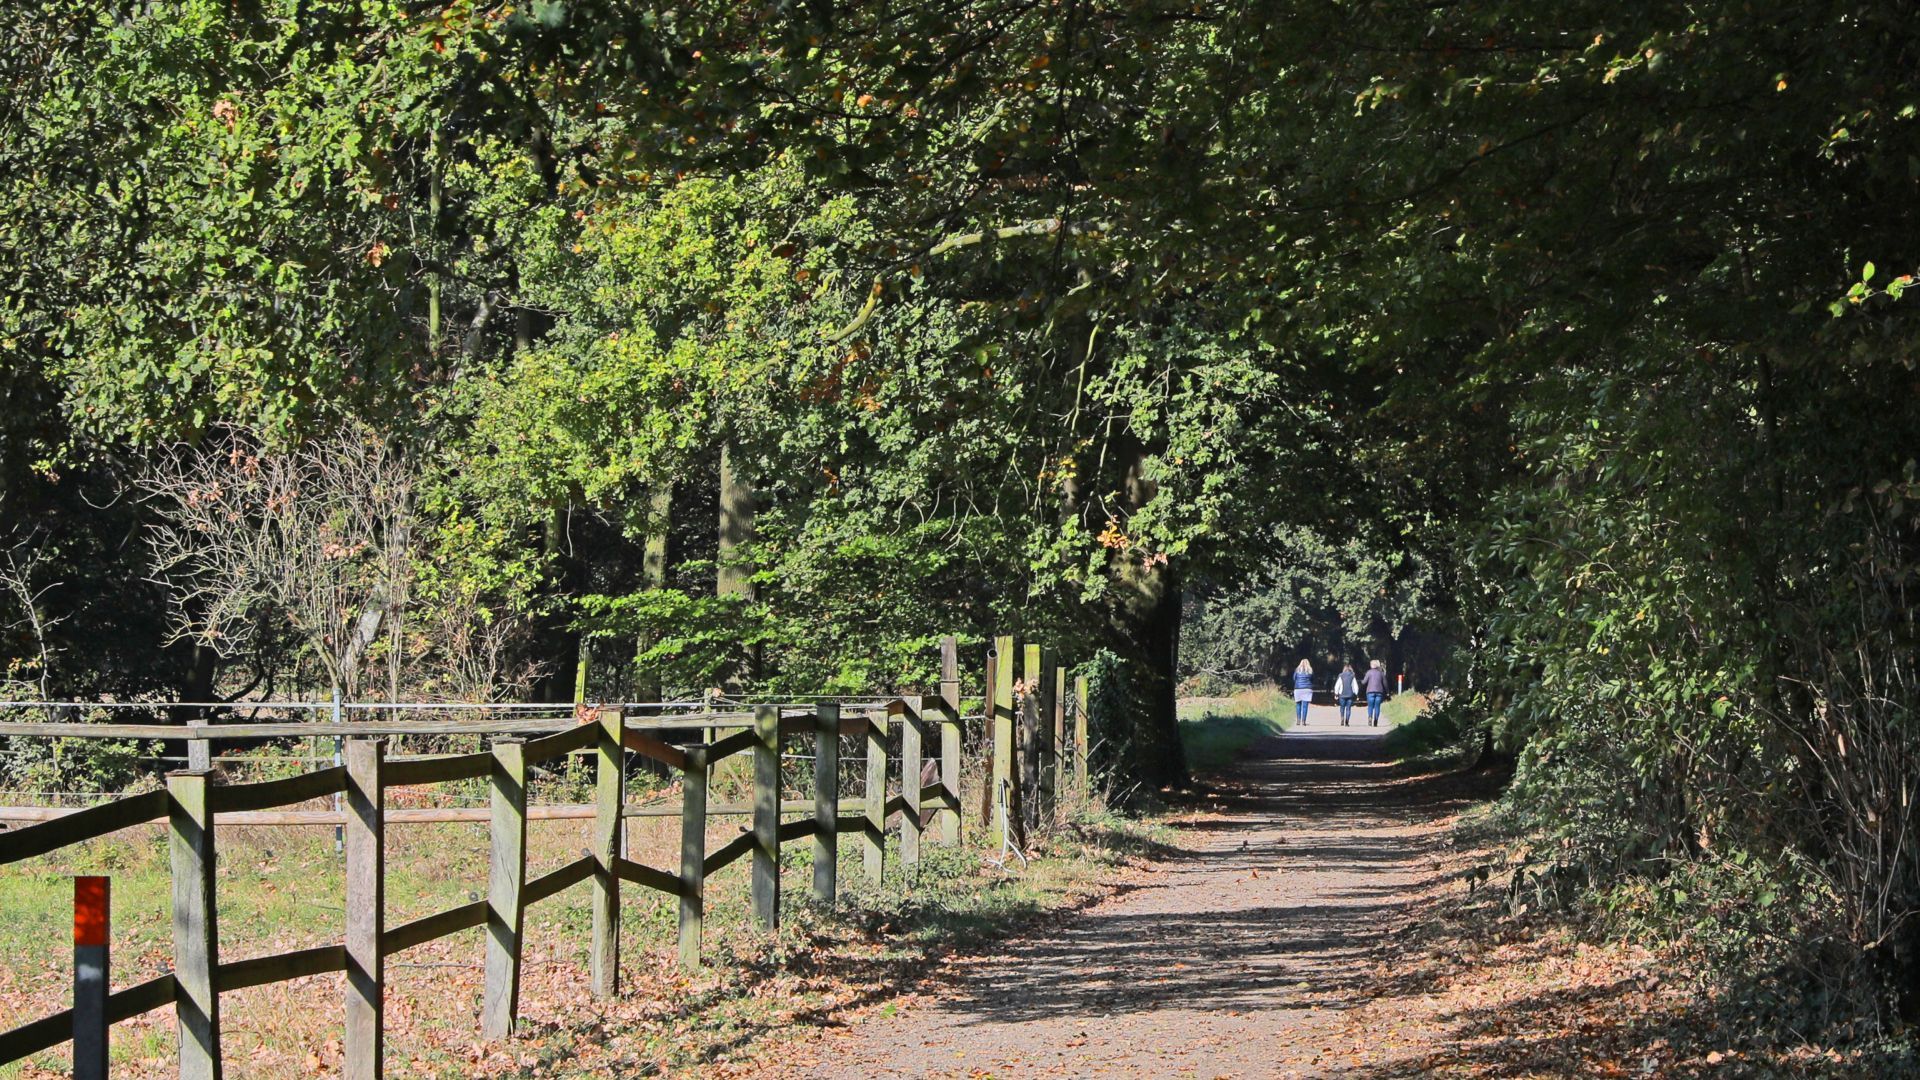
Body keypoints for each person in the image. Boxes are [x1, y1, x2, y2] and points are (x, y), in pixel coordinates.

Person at [1362, 658, 1389, 726]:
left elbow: (1364, 682)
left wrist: (1361, 682)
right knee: (1377, 706)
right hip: (1379, 692)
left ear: (1372, 665)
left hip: (1370, 692)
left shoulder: (1369, 672)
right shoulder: (1381, 673)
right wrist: (1387, 692)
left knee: (1370, 706)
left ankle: (1370, 717)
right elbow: (1385, 683)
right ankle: (1376, 720)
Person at [1291, 659, 1314, 726]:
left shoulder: (1297, 670)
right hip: (1307, 689)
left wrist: (1297, 683)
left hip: (1298, 689)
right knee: (1305, 706)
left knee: (1298, 705)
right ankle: (1303, 721)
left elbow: (1294, 678)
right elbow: (1313, 679)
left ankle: (1298, 720)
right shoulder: (1310, 671)